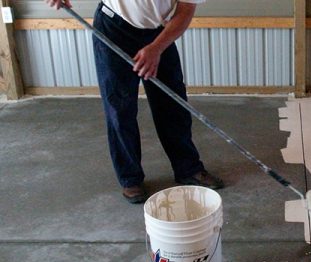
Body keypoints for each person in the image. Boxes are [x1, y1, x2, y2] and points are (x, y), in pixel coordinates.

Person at [46, 0, 224, 203]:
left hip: (158, 32)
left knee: (173, 105)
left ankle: (188, 168)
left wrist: (156, 48)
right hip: (114, 27)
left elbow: (185, 10)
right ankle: (130, 178)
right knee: (119, 108)